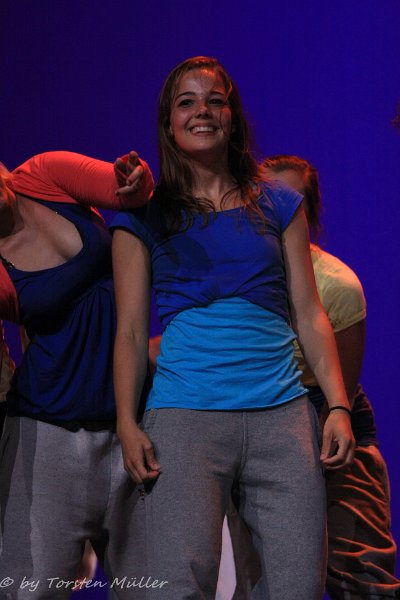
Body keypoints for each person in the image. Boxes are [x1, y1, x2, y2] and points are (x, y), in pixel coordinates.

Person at [111, 56, 354, 600]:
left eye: (215, 100)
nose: (202, 111)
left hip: (282, 419)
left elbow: (309, 312)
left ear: (233, 117)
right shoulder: (143, 215)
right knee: (177, 587)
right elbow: (129, 333)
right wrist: (126, 422)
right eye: (186, 102)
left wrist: (337, 405)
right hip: (185, 419)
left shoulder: (279, 204)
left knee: (296, 587)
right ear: (169, 122)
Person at [0, 150, 153, 599]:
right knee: (30, 590)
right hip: (47, 428)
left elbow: (128, 193)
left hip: (134, 418)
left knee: (158, 588)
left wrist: (137, 180)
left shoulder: (45, 174)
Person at [262, 155, 400, 599]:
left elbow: (343, 387)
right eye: (265, 200)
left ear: (310, 214)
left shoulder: (336, 285)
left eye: (291, 202)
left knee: (359, 573)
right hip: (260, 425)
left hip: (327, 426)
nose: (278, 212)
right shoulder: (235, 281)